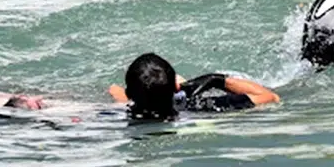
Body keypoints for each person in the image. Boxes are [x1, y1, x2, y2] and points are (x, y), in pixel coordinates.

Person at [108, 53, 279, 121]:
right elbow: (271, 97)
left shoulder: (118, 114)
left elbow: (114, 90)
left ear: (130, 93)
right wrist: (216, 79)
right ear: (176, 87)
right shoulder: (203, 107)